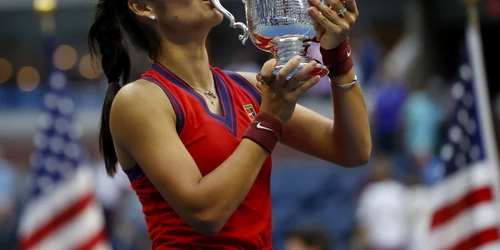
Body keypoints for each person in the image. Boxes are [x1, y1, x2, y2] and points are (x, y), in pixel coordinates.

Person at [87, 0, 371, 249]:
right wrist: (269, 120)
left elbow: (352, 150)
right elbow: (206, 215)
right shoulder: (138, 100)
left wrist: (338, 55)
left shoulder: (248, 87)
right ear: (142, 6)